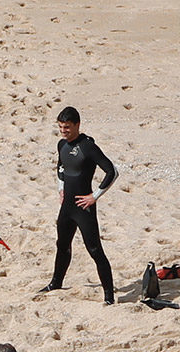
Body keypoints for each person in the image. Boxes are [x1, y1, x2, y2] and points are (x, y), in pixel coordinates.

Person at [38, 107, 118, 303]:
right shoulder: (61, 145)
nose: (63, 131)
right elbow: (61, 168)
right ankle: (56, 282)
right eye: (60, 127)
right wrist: (61, 188)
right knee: (62, 245)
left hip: (84, 207)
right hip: (67, 206)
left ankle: (109, 295)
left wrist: (94, 196)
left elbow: (112, 171)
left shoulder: (87, 146)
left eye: (67, 127)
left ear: (77, 125)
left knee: (94, 250)